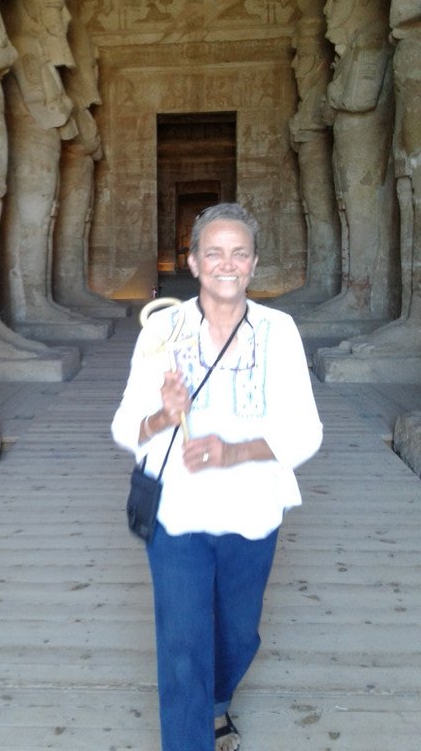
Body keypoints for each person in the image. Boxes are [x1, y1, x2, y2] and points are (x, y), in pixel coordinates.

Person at [111, 203, 323, 751]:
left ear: (253, 265)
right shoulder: (163, 329)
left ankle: (217, 701)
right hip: (176, 511)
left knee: (236, 635)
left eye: (239, 253)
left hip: (252, 511)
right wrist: (162, 412)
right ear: (194, 261)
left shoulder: (280, 330)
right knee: (182, 644)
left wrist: (236, 452)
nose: (226, 264)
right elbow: (123, 427)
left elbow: (307, 432)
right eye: (213, 252)